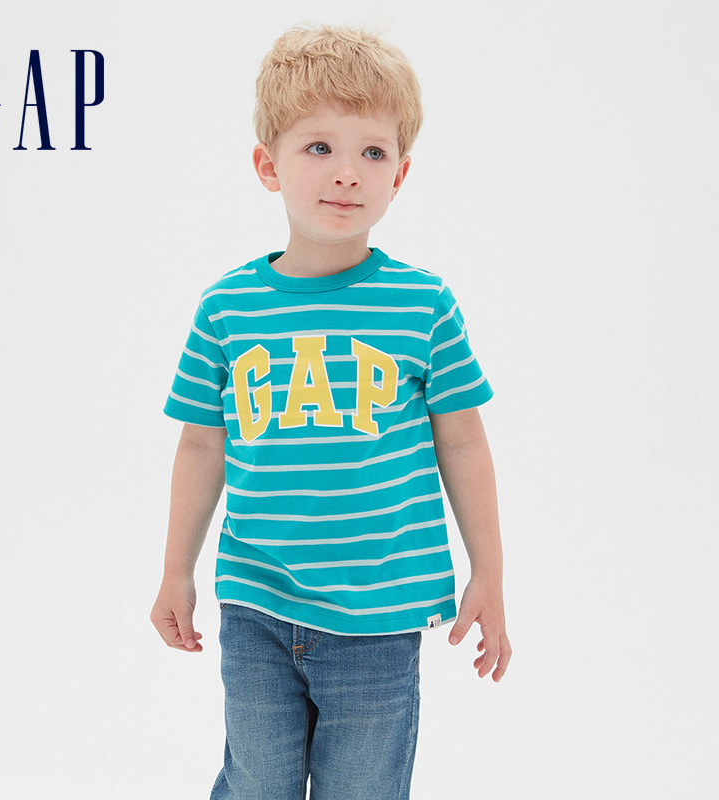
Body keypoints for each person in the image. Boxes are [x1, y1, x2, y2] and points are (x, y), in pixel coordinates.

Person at [150, 23, 511, 800]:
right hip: (256, 604)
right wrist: (176, 572)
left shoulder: (423, 305)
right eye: (319, 147)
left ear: (400, 175)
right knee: (257, 783)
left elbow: (463, 442)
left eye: (373, 153)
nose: (347, 173)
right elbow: (201, 448)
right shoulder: (226, 310)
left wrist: (490, 571)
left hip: (379, 619)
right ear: (267, 165)